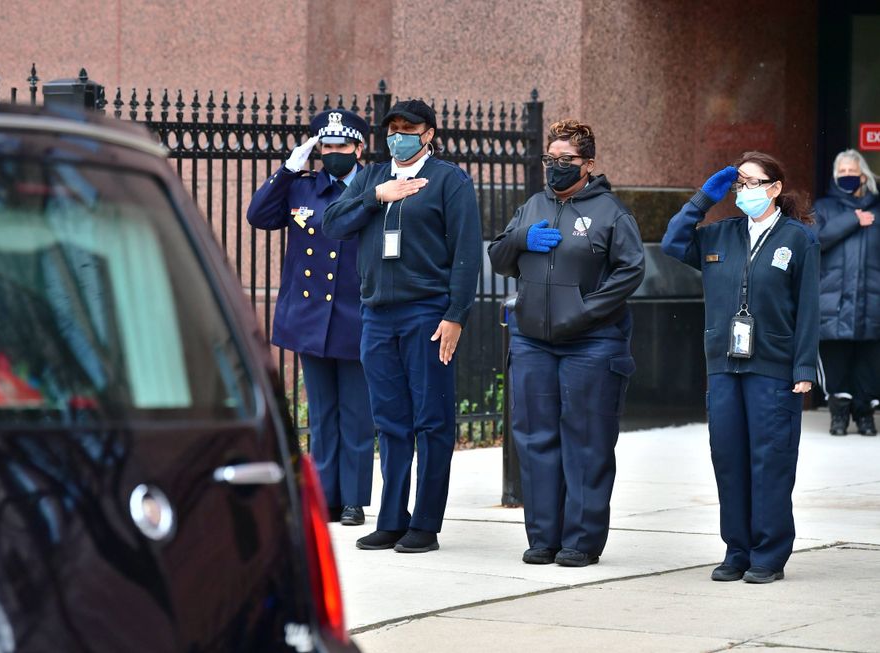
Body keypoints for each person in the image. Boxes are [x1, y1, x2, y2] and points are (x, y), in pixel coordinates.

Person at [322, 99, 482, 553]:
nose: (398, 136)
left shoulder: (449, 181)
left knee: (431, 420)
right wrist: (377, 197)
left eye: (408, 128)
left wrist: (456, 316)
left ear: (428, 133)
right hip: (377, 314)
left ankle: (425, 523)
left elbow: (467, 253)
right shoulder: (372, 177)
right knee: (390, 420)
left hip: (426, 313)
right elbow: (332, 223)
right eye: (392, 129)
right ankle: (392, 518)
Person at [488, 119, 644, 568]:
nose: (556, 167)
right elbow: (499, 257)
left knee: (587, 441)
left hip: (592, 343)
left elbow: (631, 270)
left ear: (588, 164)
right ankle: (543, 538)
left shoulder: (611, 212)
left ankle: (581, 540)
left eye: (566, 160)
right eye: (550, 159)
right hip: (534, 340)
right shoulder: (533, 205)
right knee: (535, 440)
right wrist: (521, 237)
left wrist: (586, 310)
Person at [661, 151, 819, 584]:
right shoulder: (720, 234)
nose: (742, 191)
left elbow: (808, 307)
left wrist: (804, 366)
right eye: (738, 184)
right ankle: (737, 549)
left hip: (774, 367)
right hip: (724, 366)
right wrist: (700, 201)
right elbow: (673, 241)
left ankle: (769, 553)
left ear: (774, 188)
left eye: (751, 183)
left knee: (770, 459)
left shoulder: (797, 239)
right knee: (728, 457)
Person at [247, 109, 374, 526]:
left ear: (360, 148)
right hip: (310, 317)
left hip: (355, 315)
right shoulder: (303, 188)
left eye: (341, 146)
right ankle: (326, 497)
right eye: (326, 147)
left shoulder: (373, 187)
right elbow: (258, 216)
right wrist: (287, 169)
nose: (333, 153)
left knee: (356, 414)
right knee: (321, 414)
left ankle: (353, 499)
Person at [814, 149, 880, 436]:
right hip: (833, 302)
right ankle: (838, 415)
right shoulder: (824, 208)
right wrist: (852, 220)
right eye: (841, 173)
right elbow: (815, 241)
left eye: (852, 172)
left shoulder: (879, 209)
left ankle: (865, 415)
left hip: (873, 300)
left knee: (869, 363)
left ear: (864, 175)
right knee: (836, 362)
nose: (847, 177)